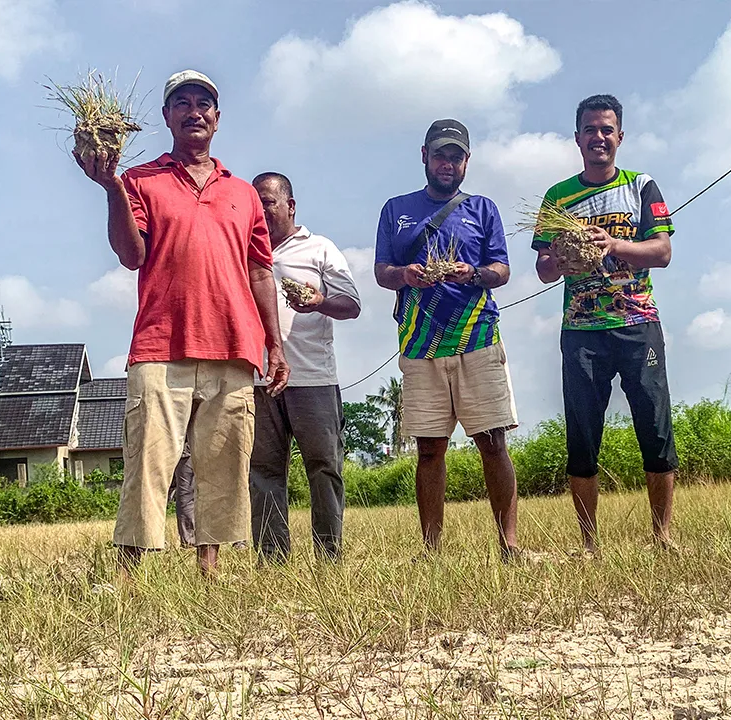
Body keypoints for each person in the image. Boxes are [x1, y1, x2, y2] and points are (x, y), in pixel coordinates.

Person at [74, 69, 289, 578]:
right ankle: (128, 573)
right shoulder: (139, 180)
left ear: (217, 118)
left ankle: (209, 570)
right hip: (160, 343)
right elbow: (131, 255)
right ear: (167, 117)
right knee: (148, 461)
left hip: (234, 344)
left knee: (224, 464)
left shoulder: (243, 192)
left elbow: (260, 271)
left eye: (203, 104)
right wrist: (111, 187)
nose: (194, 112)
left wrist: (275, 345)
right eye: (183, 103)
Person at [532, 95, 677, 555]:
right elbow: (543, 269)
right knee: (582, 435)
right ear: (577, 138)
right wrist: (563, 256)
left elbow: (662, 252)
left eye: (607, 130)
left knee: (655, 428)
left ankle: (662, 537)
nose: (599, 137)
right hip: (581, 330)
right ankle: (589, 543)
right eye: (590, 130)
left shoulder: (641, 186)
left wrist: (613, 244)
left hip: (638, 324)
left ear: (620, 137)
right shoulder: (557, 197)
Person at [373, 119, 520, 560]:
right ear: (424, 156)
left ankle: (509, 545)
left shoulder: (483, 208)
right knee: (430, 448)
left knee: (492, 442)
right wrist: (405, 275)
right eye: (440, 155)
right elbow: (382, 272)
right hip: (420, 344)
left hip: (478, 338)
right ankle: (431, 550)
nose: (447, 164)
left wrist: (472, 274)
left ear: (466, 161)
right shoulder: (395, 209)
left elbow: (502, 270)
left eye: (456, 157)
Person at [250, 171, 361, 564]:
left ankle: (329, 556)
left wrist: (319, 302)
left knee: (324, 467)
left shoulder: (319, 248)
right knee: (263, 472)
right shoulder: (245, 250)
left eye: (268, 202)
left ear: (291, 205)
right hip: (259, 379)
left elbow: (352, 305)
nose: (261, 210)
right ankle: (272, 560)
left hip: (313, 377)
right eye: (255, 203)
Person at [168, 443, 196, 547]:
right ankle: (189, 541)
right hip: (186, 449)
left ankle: (189, 540)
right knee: (187, 494)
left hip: (179, 448)